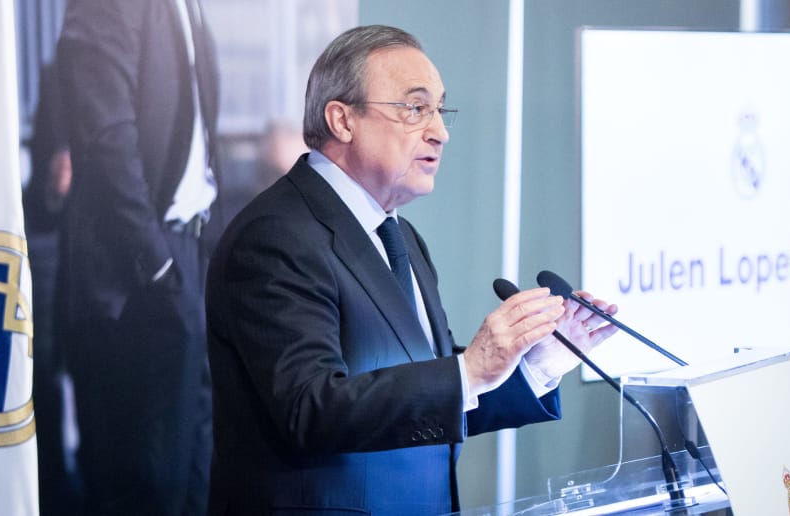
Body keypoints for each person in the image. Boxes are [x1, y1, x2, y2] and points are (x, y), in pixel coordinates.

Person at [205, 24, 619, 515]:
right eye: (415, 108)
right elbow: (311, 409)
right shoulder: (275, 236)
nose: (439, 131)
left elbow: (428, 397)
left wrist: (533, 364)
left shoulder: (400, 237)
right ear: (342, 119)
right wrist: (471, 367)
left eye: (440, 110)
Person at [54, 0, 220, 514]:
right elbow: (107, 139)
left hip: (186, 252)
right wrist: (156, 261)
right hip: (135, 272)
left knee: (193, 478)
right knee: (144, 487)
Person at [23, 60, 82, 516]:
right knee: (44, 366)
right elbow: (56, 168)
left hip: (70, 239)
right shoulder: (63, 72)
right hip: (54, 238)